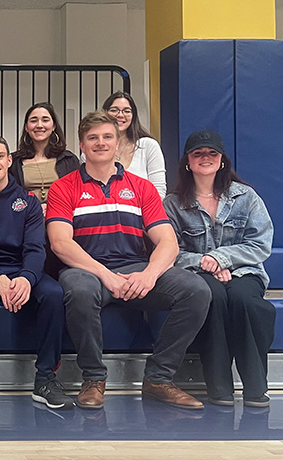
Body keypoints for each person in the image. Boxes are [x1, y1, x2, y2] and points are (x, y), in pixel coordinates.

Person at [46, 110, 210, 410]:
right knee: (78, 290)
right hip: (87, 268)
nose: (100, 143)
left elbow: (168, 242)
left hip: (136, 266)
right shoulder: (64, 186)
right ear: (81, 145)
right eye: (92, 138)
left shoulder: (141, 187)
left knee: (196, 290)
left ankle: (159, 378)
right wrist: (106, 275)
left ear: (118, 143)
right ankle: (94, 379)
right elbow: (60, 243)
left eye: (107, 137)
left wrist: (149, 275)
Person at [0, 135, 72, 411]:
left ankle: (45, 379)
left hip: (21, 271)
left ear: (9, 161)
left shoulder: (28, 201)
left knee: (54, 294)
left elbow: (36, 248)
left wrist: (26, 278)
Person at [164, 130, 275, 408]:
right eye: (198, 153)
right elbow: (169, 251)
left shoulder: (246, 197)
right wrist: (204, 262)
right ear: (187, 161)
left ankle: (256, 386)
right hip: (197, 274)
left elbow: (260, 244)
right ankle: (219, 387)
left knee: (244, 301)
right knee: (213, 299)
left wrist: (221, 258)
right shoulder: (173, 204)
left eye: (212, 153)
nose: (205, 158)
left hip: (244, 272)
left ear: (222, 160)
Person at [10, 102, 80, 207]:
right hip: (26, 217)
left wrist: (51, 207)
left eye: (45, 120)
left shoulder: (69, 159)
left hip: (62, 214)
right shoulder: (14, 161)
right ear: (26, 127)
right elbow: (10, 195)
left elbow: (77, 193)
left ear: (53, 126)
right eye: (33, 121)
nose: (39, 125)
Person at [100, 91, 167, 199]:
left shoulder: (148, 146)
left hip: (143, 213)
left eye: (127, 111)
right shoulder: (96, 149)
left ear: (133, 116)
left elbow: (158, 191)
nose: (120, 115)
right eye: (114, 110)